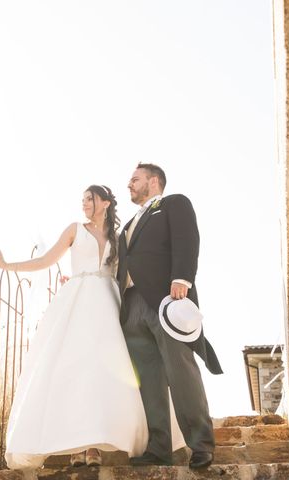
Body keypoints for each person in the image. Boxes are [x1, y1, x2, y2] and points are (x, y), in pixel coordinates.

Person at [0, 185, 184, 471]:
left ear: (105, 202)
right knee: (74, 367)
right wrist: (7, 265)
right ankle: (76, 447)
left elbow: (127, 271)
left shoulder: (119, 237)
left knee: (104, 370)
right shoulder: (74, 229)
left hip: (108, 301)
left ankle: (95, 445)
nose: (84, 203)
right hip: (78, 300)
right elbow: (47, 260)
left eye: (89, 199)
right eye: (82, 199)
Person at [117, 163, 223, 470]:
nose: (129, 185)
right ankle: (159, 447)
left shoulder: (174, 203)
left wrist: (182, 278)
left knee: (180, 370)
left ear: (153, 181)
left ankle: (201, 444)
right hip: (132, 305)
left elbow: (187, 240)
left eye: (134, 179)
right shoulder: (127, 226)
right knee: (148, 379)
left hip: (166, 298)